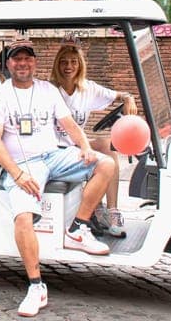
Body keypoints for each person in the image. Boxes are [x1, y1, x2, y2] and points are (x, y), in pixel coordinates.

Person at [0, 38, 115, 317]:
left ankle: (78, 228)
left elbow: (69, 124)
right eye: (17, 59)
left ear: (34, 62)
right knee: (23, 218)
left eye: (27, 58)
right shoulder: (1, 95)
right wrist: (18, 174)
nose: (22, 63)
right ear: (9, 63)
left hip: (53, 155)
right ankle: (36, 286)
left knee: (105, 163)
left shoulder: (47, 90)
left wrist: (85, 146)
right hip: (24, 164)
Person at [49, 40, 139, 238]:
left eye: (73, 62)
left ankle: (112, 211)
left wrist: (129, 98)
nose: (68, 66)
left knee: (107, 146)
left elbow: (119, 95)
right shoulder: (49, 90)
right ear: (57, 65)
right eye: (64, 62)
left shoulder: (88, 89)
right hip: (56, 149)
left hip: (77, 146)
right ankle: (91, 211)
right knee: (101, 162)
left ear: (80, 65)